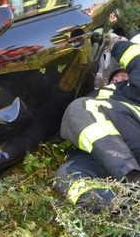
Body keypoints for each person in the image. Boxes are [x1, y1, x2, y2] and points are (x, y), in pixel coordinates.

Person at [55, 32, 140, 206]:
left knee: (81, 108)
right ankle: (131, 219)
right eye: (118, 73)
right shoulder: (101, 95)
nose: (120, 78)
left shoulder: (133, 92)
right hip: (122, 154)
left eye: (127, 72)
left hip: (129, 152)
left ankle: (133, 179)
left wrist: (118, 45)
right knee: (69, 177)